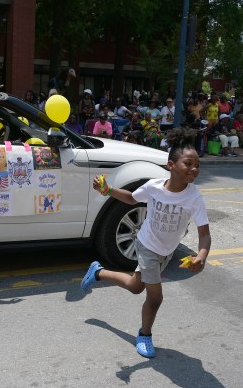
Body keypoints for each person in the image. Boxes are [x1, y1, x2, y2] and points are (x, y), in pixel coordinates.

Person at [81, 127, 211, 358]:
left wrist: (201, 255)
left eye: (197, 165)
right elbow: (132, 198)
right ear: (171, 165)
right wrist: (108, 190)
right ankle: (145, 334)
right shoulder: (154, 187)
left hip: (165, 251)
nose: (194, 169)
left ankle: (98, 272)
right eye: (188, 163)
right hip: (147, 245)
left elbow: (204, 233)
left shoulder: (194, 197)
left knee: (135, 286)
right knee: (155, 297)